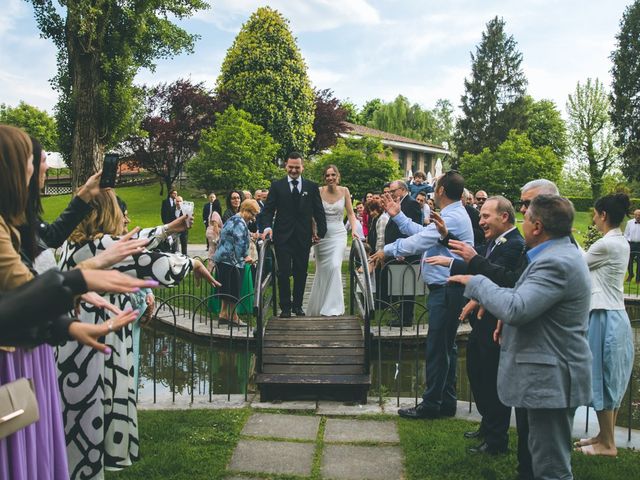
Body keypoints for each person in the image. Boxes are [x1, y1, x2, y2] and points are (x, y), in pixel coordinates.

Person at [0, 124, 152, 480]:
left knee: (27, 448)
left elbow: (30, 281)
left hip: (30, 343)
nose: (44, 168)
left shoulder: (12, 223)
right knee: (14, 450)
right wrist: (81, 275)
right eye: (33, 161)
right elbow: (24, 292)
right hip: (11, 355)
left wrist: (69, 325)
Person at [55, 189, 216, 479]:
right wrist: (192, 263)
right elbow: (145, 260)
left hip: (73, 337)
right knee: (95, 401)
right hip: (97, 337)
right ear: (108, 212)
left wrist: (168, 228)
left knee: (75, 408)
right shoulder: (101, 245)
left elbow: (128, 246)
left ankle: (72, 462)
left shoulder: (73, 244)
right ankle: (93, 462)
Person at [452, 195, 592, 480]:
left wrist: (477, 283)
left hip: (552, 380)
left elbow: (516, 307)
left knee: (552, 468)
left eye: (526, 217)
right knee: (541, 462)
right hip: (547, 378)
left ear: (537, 226)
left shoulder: (556, 263)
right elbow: (525, 300)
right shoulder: (551, 256)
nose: (522, 220)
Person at [370, 171, 473, 417]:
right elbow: (422, 233)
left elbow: (417, 243)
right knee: (447, 347)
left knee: (437, 348)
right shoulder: (451, 214)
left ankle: (430, 405)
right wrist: (398, 216)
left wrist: (388, 250)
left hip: (448, 289)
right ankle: (446, 401)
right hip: (446, 289)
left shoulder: (454, 217)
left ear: (440, 191)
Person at [427, 196, 524, 455]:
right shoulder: (494, 242)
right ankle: (487, 424)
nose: (480, 221)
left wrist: (475, 285)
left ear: (504, 217)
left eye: (485, 216)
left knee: (492, 381)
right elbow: (476, 258)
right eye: (480, 216)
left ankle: (496, 441)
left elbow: (500, 277)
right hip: (481, 323)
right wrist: (446, 239)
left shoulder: (515, 244)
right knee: (477, 374)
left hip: (495, 324)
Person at [574, 193, 634, 457]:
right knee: (610, 377)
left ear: (604, 215)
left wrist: (567, 237)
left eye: (596, 214)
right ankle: (603, 436)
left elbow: (579, 264)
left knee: (601, 377)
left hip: (604, 315)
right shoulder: (620, 242)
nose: (594, 219)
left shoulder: (606, 245)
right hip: (614, 314)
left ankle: (608, 444)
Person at [261, 152, 326, 318]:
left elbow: (318, 210)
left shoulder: (311, 187)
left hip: (303, 237)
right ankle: (285, 307)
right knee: (283, 272)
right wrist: (267, 227)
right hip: (282, 236)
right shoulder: (277, 186)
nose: (294, 170)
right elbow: (267, 210)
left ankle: (297, 306)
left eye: (297, 167)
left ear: (302, 167)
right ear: (286, 167)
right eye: (291, 167)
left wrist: (321, 231)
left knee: (301, 272)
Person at [307, 165, 358, 316]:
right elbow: (312, 215)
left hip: (338, 235)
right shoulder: (318, 191)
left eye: (333, 175)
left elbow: (350, 213)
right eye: (327, 175)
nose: (330, 178)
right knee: (322, 270)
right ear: (324, 178)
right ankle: (320, 305)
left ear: (338, 176)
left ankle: (333, 307)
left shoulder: (345, 191)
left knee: (335, 266)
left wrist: (354, 230)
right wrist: (313, 232)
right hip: (322, 237)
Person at [378, 180, 422, 327]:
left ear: (403, 190)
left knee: (407, 286)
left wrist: (403, 250)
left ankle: (406, 318)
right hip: (397, 251)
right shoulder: (399, 203)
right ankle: (401, 313)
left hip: (406, 253)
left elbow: (414, 229)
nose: (390, 194)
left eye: (393, 191)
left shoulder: (411, 204)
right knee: (400, 285)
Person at [214, 199, 260, 326]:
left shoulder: (233, 219)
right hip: (232, 260)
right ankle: (234, 317)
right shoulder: (240, 222)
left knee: (225, 289)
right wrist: (246, 256)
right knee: (233, 289)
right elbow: (240, 242)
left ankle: (223, 314)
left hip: (223, 259)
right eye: (252, 214)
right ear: (245, 210)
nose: (253, 217)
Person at [624, 208, 640, 282]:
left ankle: (638, 278)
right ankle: (630, 275)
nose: (637, 216)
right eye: (636, 215)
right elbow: (626, 234)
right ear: (634, 215)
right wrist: (626, 242)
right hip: (631, 244)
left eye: (639, 215)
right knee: (629, 260)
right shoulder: (629, 223)